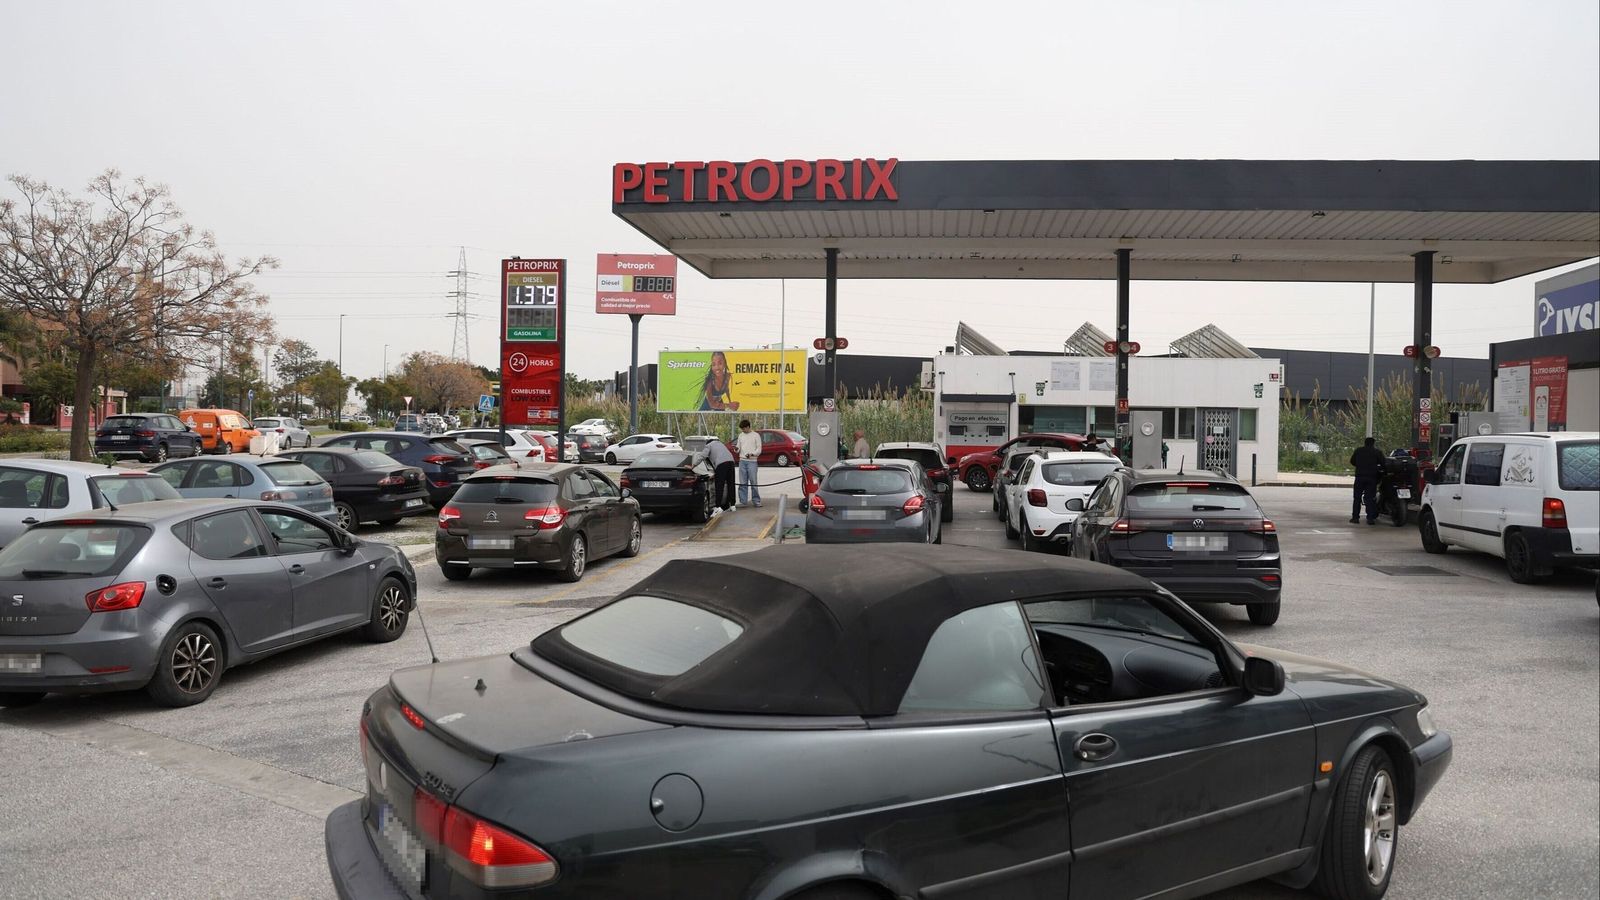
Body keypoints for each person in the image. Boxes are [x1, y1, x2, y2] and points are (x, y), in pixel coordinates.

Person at [1349, 436, 1385, 525]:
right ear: (1373, 443)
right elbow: (1383, 463)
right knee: (1370, 498)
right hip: (1371, 478)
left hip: (1359, 477)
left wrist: (1360, 465)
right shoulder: (1377, 452)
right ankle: (1370, 518)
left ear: (1365, 443)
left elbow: (1352, 461)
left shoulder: (1358, 451)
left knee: (1357, 498)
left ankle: (1355, 518)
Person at [705, 431, 737, 512]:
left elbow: (703, 456)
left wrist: (693, 465)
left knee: (719, 485)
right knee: (731, 484)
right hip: (731, 463)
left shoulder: (709, 446)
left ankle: (718, 506)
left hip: (722, 465)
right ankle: (732, 505)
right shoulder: (721, 444)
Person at [736, 419, 762, 507]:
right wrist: (736, 449)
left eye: (744, 429)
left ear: (748, 427)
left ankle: (756, 501)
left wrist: (752, 454)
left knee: (753, 482)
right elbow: (738, 446)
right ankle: (743, 501)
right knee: (742, 482)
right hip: (742, 461)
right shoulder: (741, 435)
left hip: (752, 462)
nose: (743, 430)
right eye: (742, 429)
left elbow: (759, 449)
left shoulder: (756, 435)